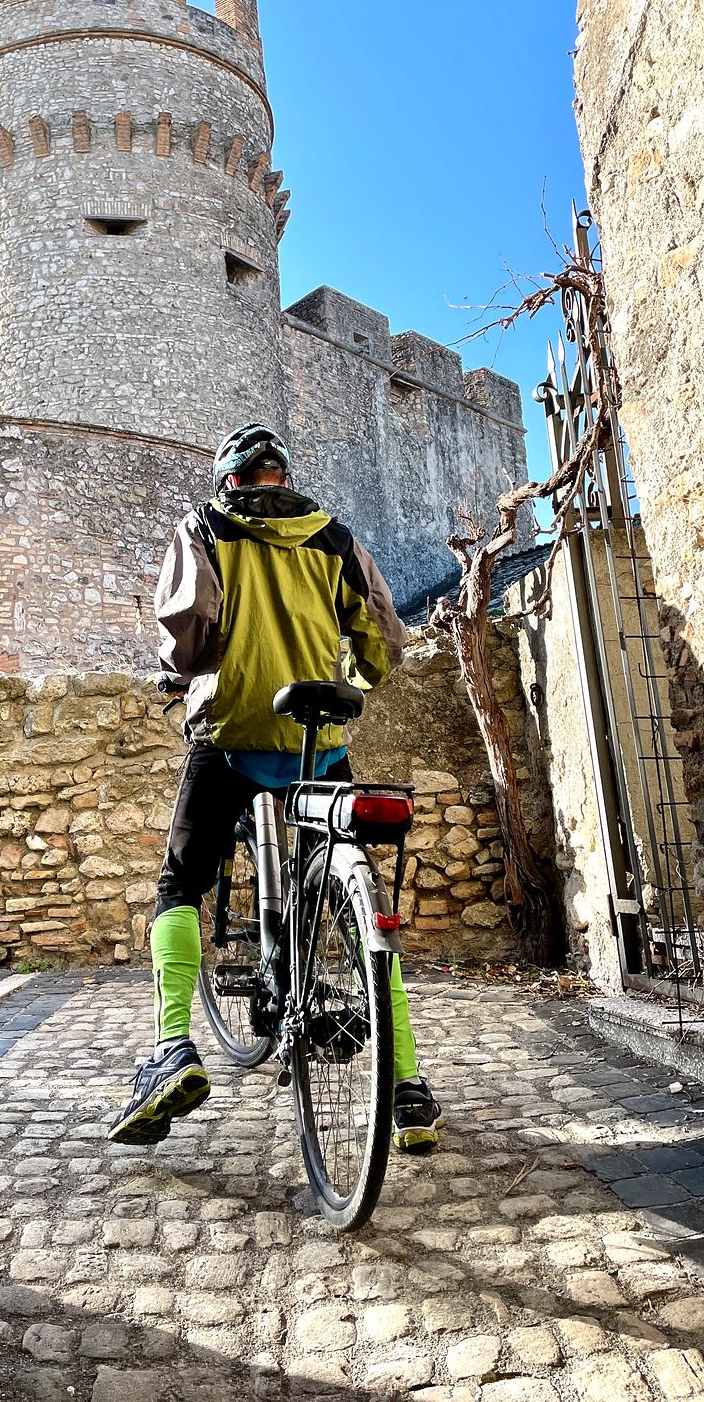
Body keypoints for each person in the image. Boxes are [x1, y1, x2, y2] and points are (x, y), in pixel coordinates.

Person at [109, 422, 442, 1152]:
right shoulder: (336, 537)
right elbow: (385, 641)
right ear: (282, 479)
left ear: (231, 481)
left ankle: (171, 1049)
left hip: (229, 732)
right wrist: (349, 685)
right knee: (365, 910)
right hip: (317, 737)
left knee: (180, 884)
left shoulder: (204, 526)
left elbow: (189, 633)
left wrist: (187, 669)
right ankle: (407, 1082)